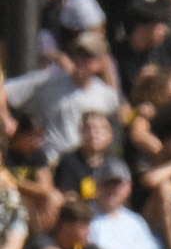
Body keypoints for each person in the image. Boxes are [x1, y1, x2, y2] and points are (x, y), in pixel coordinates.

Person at [0, 34, 120, 167]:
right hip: (51, 160)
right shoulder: (49, 81)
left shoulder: (107, 96)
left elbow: (112, 135)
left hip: (87, 166)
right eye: (78, 54)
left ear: (101, 62)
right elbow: (3, 90)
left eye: (88, 56)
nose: (81, 59)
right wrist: (6, 118)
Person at [87, 158, 162, 249]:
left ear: (128, 187)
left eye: (117, 184)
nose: (112, 190)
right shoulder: (87, 219)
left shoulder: (136, 222)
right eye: (107, 184)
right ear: (96, 186)